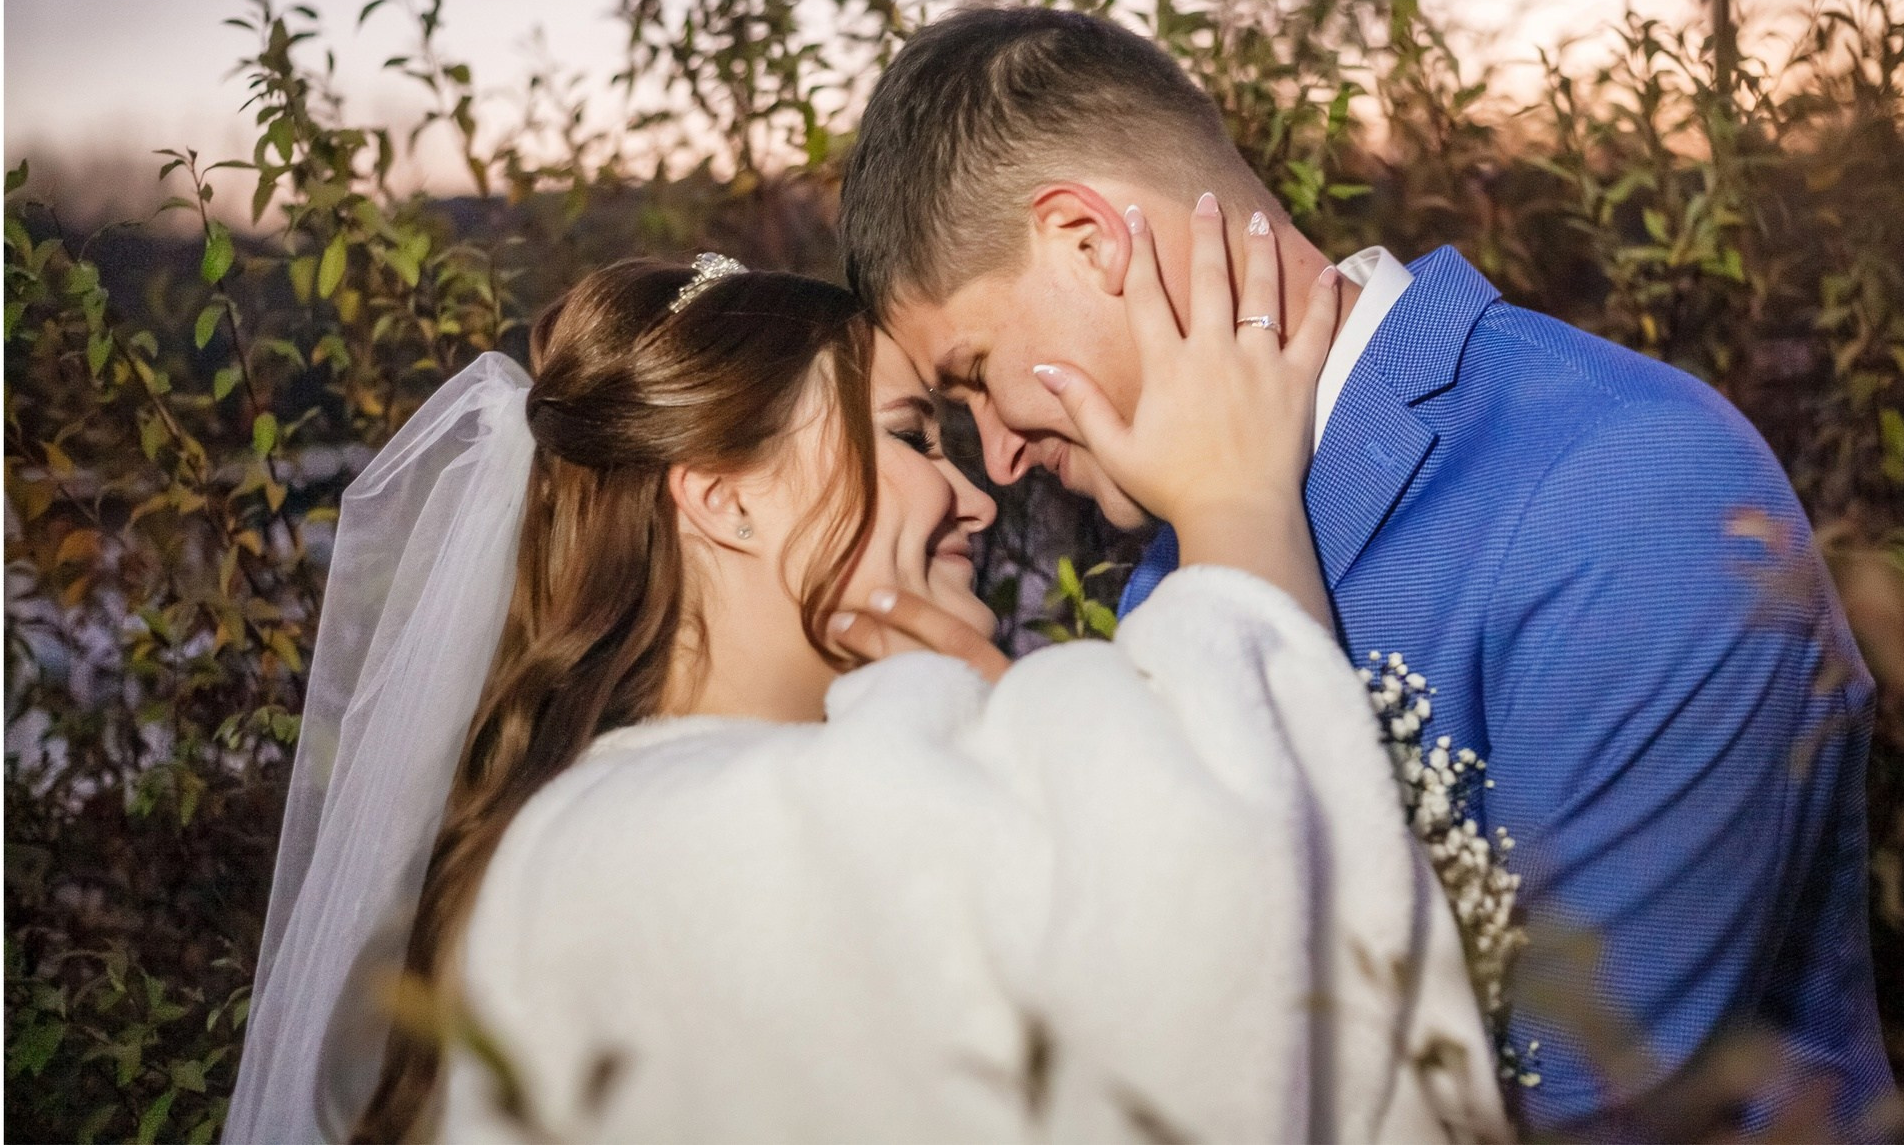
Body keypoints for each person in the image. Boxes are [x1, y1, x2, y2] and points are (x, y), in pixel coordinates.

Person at [835, 5, 1890, 1138]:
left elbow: (1599, 1106)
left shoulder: (1621, 487)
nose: (994, 453)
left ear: (1089, 243)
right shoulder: (1191, 550)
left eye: (977, 373)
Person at [226, 240, 1509, 1143]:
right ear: (721, 496)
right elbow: (1226, 992)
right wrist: (1235, 504)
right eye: (907, 436)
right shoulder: (709, 833)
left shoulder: (596, 830)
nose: (974, 491)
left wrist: (1013, 749)